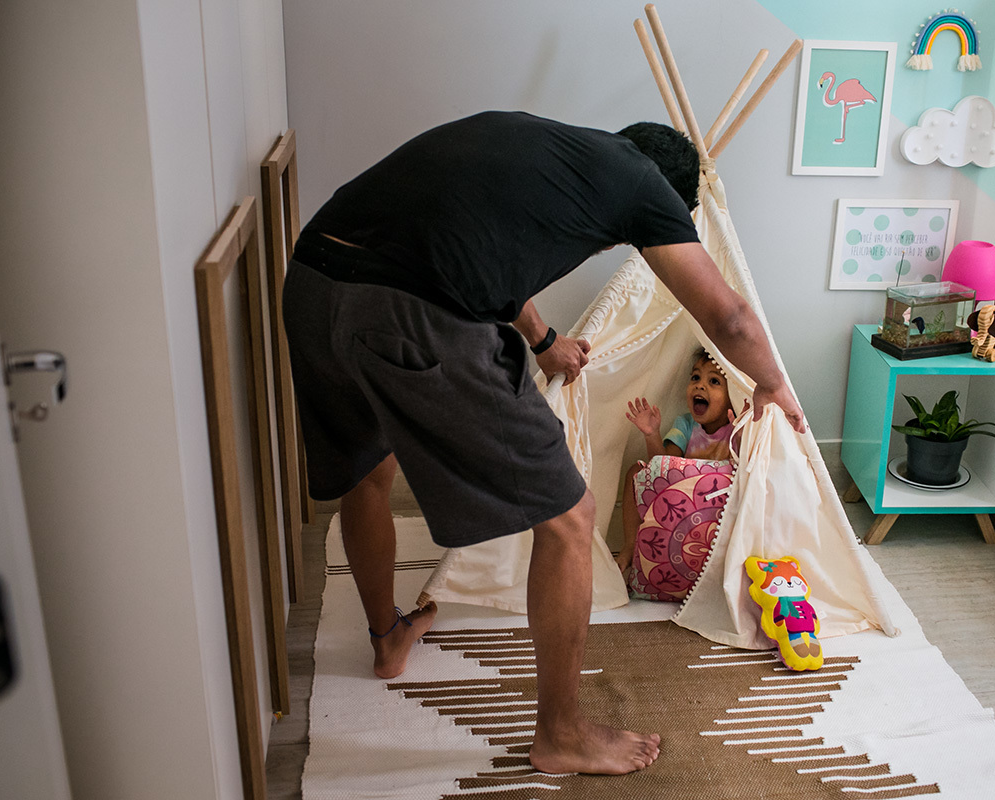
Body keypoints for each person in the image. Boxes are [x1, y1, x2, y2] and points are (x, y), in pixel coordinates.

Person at [281, 110, 807, 777]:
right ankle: (560, 733)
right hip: (407, 313)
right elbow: (728, 315)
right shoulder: (647, 187)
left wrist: (543, 340)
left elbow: (486, 250)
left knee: (368, 467)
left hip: (311, 284)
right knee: (568, 519)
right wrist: (772, 385)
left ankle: (388, 639)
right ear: (667, 196)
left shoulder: (545, 148)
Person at [616, 349, 745, 573]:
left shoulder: (736, 429)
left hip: (717, 511)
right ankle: (630, 546)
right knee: (635, 472)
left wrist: (742, 436)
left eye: (714, 381)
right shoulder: (686, 424)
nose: (700, 385)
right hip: (681, 506)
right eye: (695, 377)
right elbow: (662, 467)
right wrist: (651, 434)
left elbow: (750, 467)